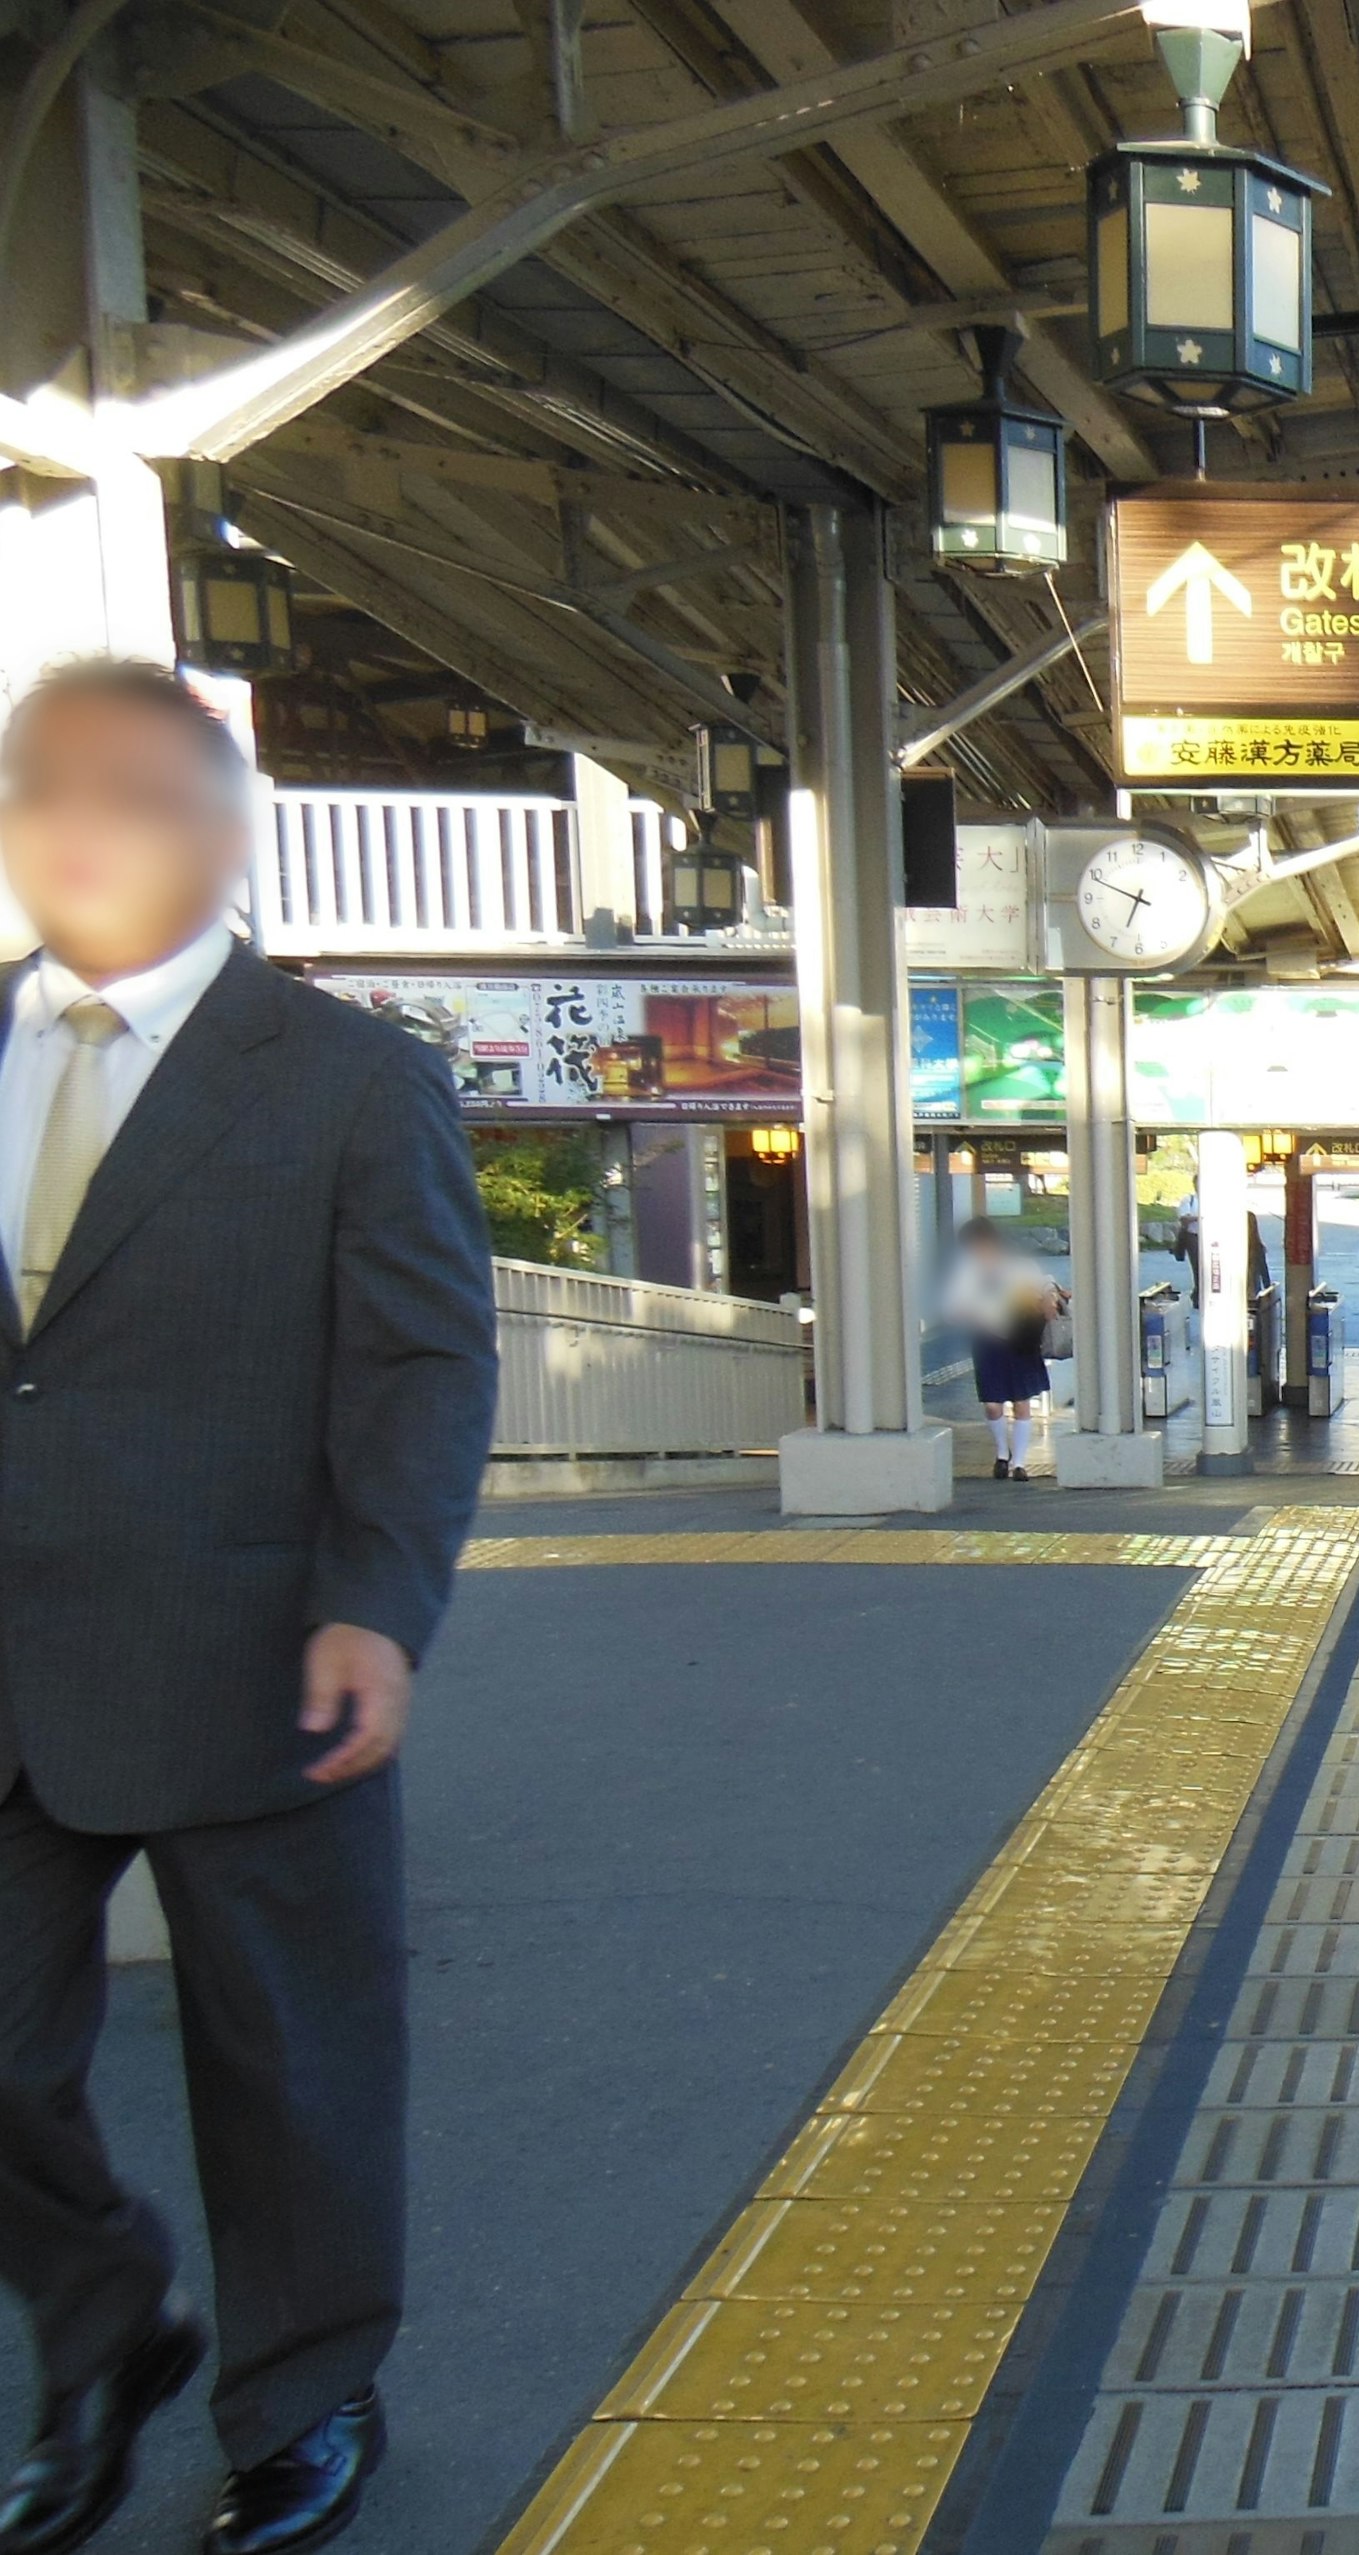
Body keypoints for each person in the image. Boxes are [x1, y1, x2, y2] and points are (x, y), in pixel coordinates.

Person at [0, 661, 496, 2555]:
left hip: (261, 1645)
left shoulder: (353, 1079)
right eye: (44, 788)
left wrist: (380, 1601)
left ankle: (303, 2395)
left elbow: (422, 1365)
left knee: (288, 2061)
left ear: (221, 835)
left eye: (130, 792)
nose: (77, 825)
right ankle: (107, 2314)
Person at [941, 1217, 1063, 1478]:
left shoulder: (1019, 1265)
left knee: (1022, 1401)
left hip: (1021, 1337)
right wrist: (964, 1311)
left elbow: (1044, 1283)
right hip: (987, 1338)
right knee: (992, 1404)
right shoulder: (967, 1272)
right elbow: (951, 1307)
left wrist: (1049, 1295)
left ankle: (1019, 1462)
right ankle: (1001, 1453)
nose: (978, 1250)